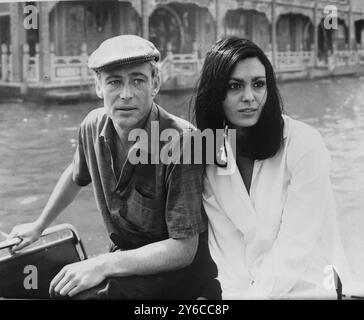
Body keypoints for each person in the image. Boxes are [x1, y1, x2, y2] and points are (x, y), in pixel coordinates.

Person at [8, 35, 214, 300]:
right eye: (114, 81)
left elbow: (184, 250)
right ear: (98, 86)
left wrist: (100, 264)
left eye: (138, 80)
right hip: (124, 259)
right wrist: (39, 225)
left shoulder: (184, 142)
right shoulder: (92, 126)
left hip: (178, 276)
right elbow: (75, 175)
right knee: (49, 285)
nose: (126, 94)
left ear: (155, 83)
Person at [193, 37, 353, 299]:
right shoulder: (213, 153)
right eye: (234, 86)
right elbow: (227, 254)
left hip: (311, 288)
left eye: (258, 84)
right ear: (215, 93)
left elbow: (295, 247)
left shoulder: (303, 143)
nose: (250, 97)